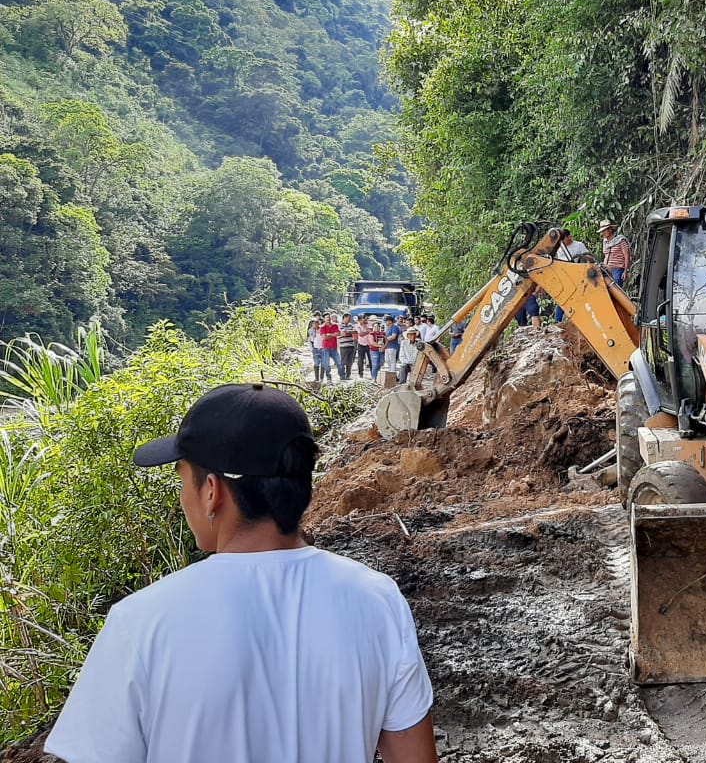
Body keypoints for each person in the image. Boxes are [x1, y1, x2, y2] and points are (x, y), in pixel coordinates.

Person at [43, 382, 438, 763]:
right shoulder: (377, 601)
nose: (182, 497)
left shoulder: (142, 622)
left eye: (182, 478)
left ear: (211, 491)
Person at [554, 229, 593, 323]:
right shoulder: (560, 248)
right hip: (565, 277)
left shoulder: (579, 245)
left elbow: (590, 258)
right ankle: (557, 321)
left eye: (564, 239)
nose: (562, 241)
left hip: (578, 276)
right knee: (562, 298)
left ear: (569, 237)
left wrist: (583, 258)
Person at [599, 219, 631, 285]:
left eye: (605, 230)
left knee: (616, 289)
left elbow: (627, 256)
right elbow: (605, 255)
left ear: (610, 229)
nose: (603, 233)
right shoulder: (605, 242)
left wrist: (626, 271)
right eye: (602, 231)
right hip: (606, 269)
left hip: (617, 270)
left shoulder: (620, 240)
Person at [318, 313, 341, 383]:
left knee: (339, 363)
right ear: (324, 319)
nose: (328, 318)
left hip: (334, 347)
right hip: (326, 347)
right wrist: (333, 335)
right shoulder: (322, 327)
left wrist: (329, 334)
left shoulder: (335, 325)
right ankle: (328, 378)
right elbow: (324, 337)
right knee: (327, 364)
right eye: (327, 317)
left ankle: (342, 377)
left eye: (329, 317)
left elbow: (338, 334)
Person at [337, 313, 357, 381]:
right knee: (343, 361)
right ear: (344, 318)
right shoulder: (339, 325)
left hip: (351, 345)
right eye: (348, 318)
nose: (349, 320)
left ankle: (348, 375)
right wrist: (350, 332)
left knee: (350, 362)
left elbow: (355, 331)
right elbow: (344, 334)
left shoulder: (350, 325)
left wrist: (348, 332)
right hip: (343, 346)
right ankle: (342, 375)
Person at [306, 315, 325, 382]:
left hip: (323, 348)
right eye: (313, 324)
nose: (314, 325)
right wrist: (312, 348)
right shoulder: (311, 331)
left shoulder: (323, 330)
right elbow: (310, 340)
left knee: (323, 363)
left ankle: (321, 378)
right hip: (315, 349)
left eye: (316, 323)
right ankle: (316, 378)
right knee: (316, 363)